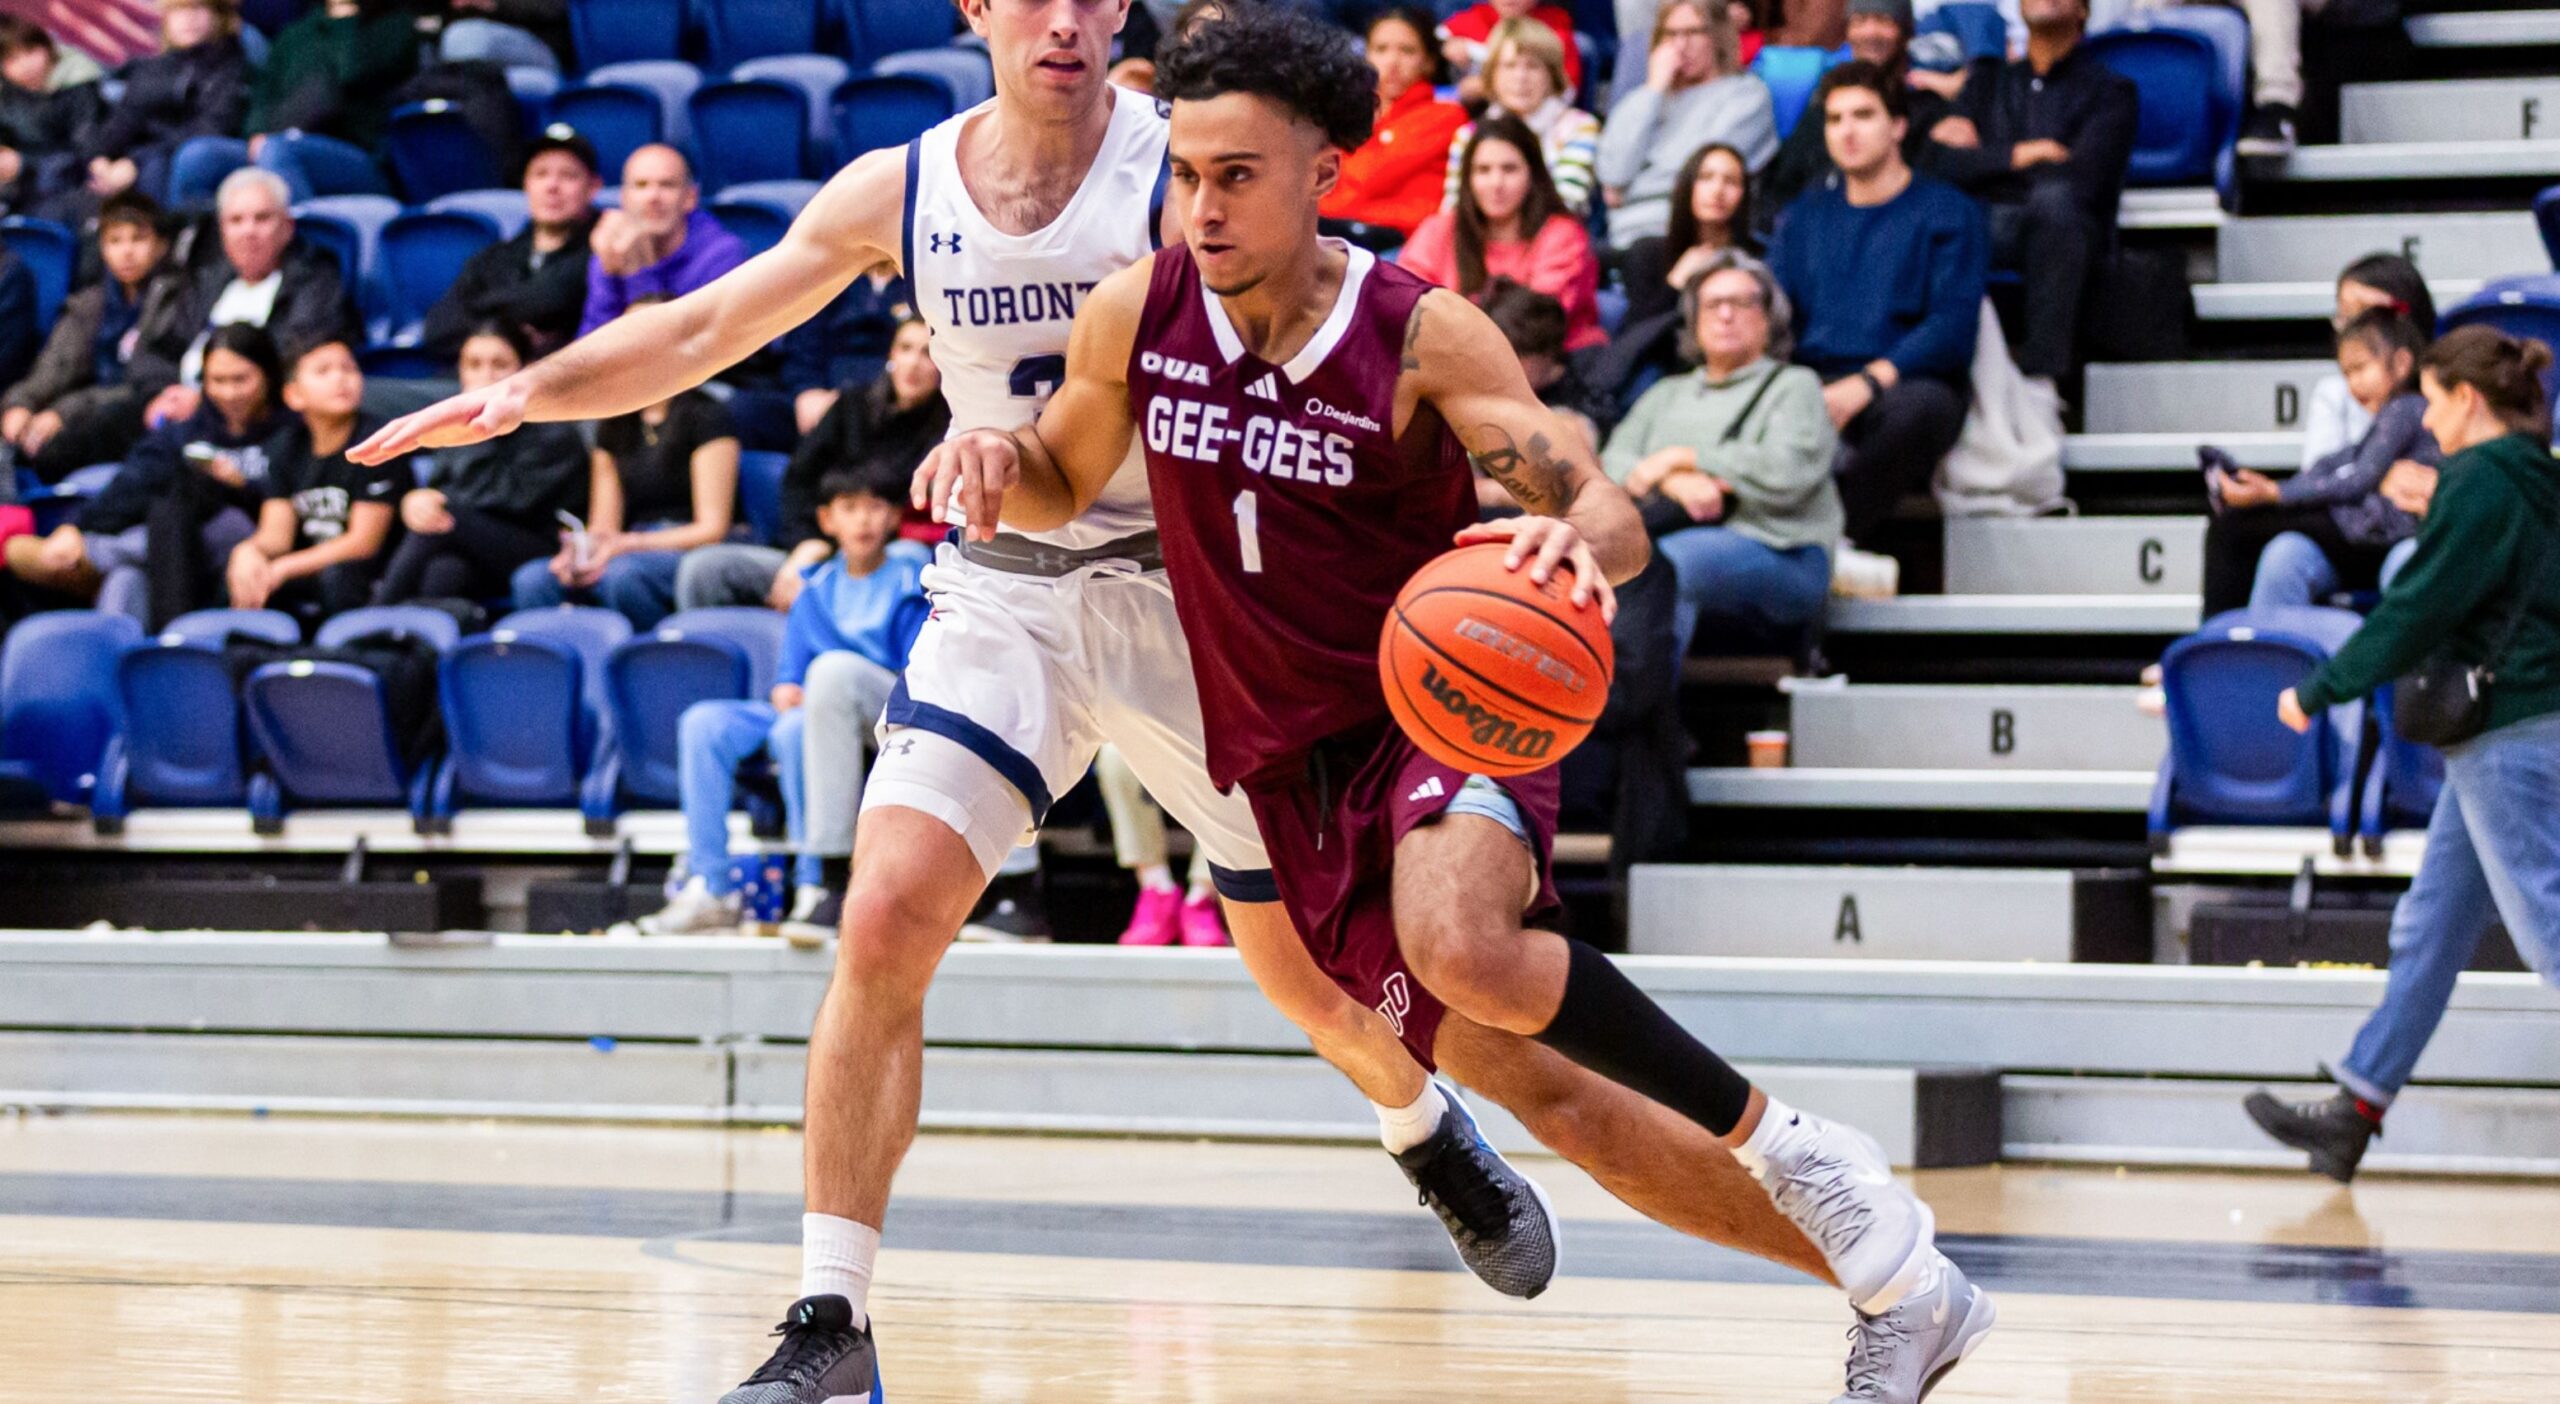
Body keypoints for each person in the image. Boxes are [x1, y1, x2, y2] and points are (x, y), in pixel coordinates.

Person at [350, 2, 1950, 1396]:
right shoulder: (937, 200)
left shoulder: (1270, 217)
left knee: (1347, 1000)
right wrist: (529, 397)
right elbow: (716, 328)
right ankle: (831, 1312)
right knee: (886, 910)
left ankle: (1430, 1128)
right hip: (1020, 588)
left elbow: (1574, 478)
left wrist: (1569, 530)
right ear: (977, 11)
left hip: (1233, 624)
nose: (1072, 23)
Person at [929, 9, 1993, 1402]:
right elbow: (1068, 475)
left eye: (1239, 174)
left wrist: (1574, 541)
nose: (1203, 203)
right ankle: (1901, 1283)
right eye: (1186, 172)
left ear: (1328, 173)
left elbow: (1604, 507)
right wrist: (1000, 456)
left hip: (1436, 709)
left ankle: (1793, 1140)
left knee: (1464, 942)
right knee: (1565, 1106)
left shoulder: (1422, 333)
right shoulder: (1139, 309)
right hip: (1287, 772)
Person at [2249, 324, 2560, 1183]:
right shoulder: (2540, 477)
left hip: (2507, 731)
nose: (2425, 417)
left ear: (2466, 399)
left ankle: (2358, 1103)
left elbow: (2417, 607)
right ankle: (2356, 1107)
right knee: (2431, 924)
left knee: (2550, 932)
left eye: (2432, 398)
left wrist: (2318, 688)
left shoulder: (2479, 481)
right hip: (2521, 725)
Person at [641, 464, 931, 939]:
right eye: (850, 508)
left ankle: (814, 883)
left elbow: (914, 671)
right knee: (704, 722)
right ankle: (711, 886)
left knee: (800, 724)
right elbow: (789, 673)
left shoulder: (909, 578)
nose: (863, 521)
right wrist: (787, 688)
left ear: (894, 517)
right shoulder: (814, 585)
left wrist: (808, 696)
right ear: (826, 520)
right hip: (807, 705)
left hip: (874, 712)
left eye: (875, 508)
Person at [1768, 62, 1986, 547]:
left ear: (1898, 126)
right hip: (1814, 377)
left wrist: (1867, 383)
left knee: (1918, 412)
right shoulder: (1803, 216)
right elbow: (1774, 315)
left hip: (1903, 380)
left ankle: (1830, 541)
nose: (1847, 132)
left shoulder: (1949, 210)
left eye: (1863, 115)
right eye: (1835, 119)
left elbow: (1952, 324)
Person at [1606, 252, 1842, 658]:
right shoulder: (1666, 393)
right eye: (1713, 304)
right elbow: (1612, 463)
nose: (1726, 315)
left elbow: (1789, 473)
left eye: (1742, 303)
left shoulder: (1793, 385)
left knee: (1664, 565)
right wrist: (1674, 480)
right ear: (1695, 321)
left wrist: (1686, 456)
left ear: (1768, 318)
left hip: (1781, 548)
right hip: (1673, 534)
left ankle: (1641, 710)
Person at [3, 322, 280, 626]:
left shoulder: (290, 434)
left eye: (240, 379)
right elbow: (135, 481)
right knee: (126, 579)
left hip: (245, 546)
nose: (229, 392)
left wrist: (243, 486)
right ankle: (134, 662)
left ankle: (94, 554)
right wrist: (77, 527)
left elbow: (290, 508)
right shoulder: (189, 430)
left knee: (192, 513)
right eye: (218, 380)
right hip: (171, 552)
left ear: (267, 374)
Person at [677, 315, 949, 613]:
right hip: (815, 546)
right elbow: (798, 481)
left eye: (927, 353)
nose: (913, 363)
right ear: (890, 354)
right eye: (905, 348)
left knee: (907, 560)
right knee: (704, 570)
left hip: (882, 560)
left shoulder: (949, 430)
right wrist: (807, 543)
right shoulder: (851, 404)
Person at [1925, 0, 2136, 383]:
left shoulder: (2112, 91)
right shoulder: (1988, 83)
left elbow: (2084, 179)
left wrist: (1986, 164)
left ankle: (2044, 381)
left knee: (2056, 206)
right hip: (1986, 222)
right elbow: (1940, 165)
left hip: (2065, 230)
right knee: (1932, 212)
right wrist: (2020, 155)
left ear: (2084, 11)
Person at [2203, 309, 2434, 615]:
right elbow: (2335, 463)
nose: (2354, 385)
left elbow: (2359, 479)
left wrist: (2275, 493)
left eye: (2361, 368)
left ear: (2402, 363)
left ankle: (2213, 644)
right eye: (2346, 374)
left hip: (2382, 530)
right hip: (2367, 529)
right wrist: (2272, 487)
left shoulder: (2406, 408)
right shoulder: (2393, 414)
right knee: (2236, 525)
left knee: (2232, 526)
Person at [373, 323, 587, 605]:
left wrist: (484, 428)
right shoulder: (456, 427)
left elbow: (513, 500)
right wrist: (416, 501)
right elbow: (441, 488)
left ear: (525, 370)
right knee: (445, 572)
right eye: (474, 365)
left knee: (446, 519)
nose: (486, 376)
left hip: (540, 546)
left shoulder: (553, 431)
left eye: (499, 364)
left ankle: (374, 616)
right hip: (471, 544)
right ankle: (416, 643)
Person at [132, 168, 358, 433]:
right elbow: (157, 350)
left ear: (287, 227)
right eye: (236, 221)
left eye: (262, 218)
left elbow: (296, 358)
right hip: (179, 415)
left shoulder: (315, 280)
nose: (248, 231)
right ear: (222, 232)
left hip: (262, 423)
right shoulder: (208, 281)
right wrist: (160, 395)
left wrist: (209, 399)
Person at [510, 381, 738, 630]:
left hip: (688, 545)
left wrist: (628, 544)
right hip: (630, 543)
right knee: (533, 580)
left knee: (621, 577)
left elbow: (712, 529)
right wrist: (580, 554)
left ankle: (655, 660)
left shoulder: (707, 415)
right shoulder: (614, 421)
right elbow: (604, 525)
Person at [227, 337, 403, 620]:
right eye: (323, 371)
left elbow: (363, 542)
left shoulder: (380, 439)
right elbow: (276, 537)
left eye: (348, 368)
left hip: (368, 574)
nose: (340, 379)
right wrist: (247, 552)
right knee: (245, 578)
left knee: (337, 578)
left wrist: (283, 568)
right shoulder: (285, 447)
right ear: (293, 394)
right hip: (309, 567)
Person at [1399, 115, 1604, 353]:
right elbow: (1404, 302)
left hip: (1548, 367)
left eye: (1510, 169)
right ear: (1467, 178)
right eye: (1483, 170)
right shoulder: (1439, 229)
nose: (1496, 183)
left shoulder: (1563, 235)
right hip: (1450, 362)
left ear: (1533, 175)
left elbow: (1536, 324)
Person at [2, 192, 171, 480]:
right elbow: (52, 369)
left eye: (138, 239)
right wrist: (20, 404)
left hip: (126, 417)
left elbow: (148, 385)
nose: (126, 252)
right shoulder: (89, 304)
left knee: (56, 450)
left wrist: (63, 414)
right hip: (81, 410)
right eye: (115, 241)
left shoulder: (173, 301)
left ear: (161, 246)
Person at [1595, 0, 1778, 246]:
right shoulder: (1641, 99)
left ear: (1718, 35)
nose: (1681, 45)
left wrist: (1632, 187)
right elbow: (1613, 175)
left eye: (1693, 33)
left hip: (1693, 233)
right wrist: (1654, 90)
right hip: (1625, 233)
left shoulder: (1746, 95)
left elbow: (1703, 172)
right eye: (1671, 34)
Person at [419, 124, 601, 361]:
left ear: (593, 187)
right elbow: (437, 331)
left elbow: (550, 300)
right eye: (541, 174)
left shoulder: (604, 250)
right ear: (526, 185)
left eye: (568, 176)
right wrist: (514, 334)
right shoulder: (495, 257)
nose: (552, 186)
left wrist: (485, 310)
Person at [1759, 0, 1957, 217]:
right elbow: (1785, 183)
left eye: (1883, 20)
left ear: (1905, 31)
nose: (1870, 32)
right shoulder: (1826, 100)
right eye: (1860, 21)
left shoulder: (1929, 106)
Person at [1597, 139, 1759, 392]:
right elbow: (1637, 336)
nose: (1717, 190)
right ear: (1686, 186)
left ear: (1744, 194)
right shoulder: (1649, 251)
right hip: (1667, 367)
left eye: (1731, 181)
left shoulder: (1756, 259)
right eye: (1705, 178)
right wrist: (1676, 282)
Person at [66, 0, 250, 214]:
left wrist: (136, 163)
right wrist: (99, 159)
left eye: (197, 9)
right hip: (146, 157)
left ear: (218, 17)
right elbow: (123, 120)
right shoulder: (152, 68)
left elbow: (212, 126)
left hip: (190, 154)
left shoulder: (231, 64)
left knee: (159, 166)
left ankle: (165, 235)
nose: (188, 19)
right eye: (179, 12)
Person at [1317, 7, 1468, 239]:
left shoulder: (1446, 116)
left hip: (1401, 245)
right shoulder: (1344, 112)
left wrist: (1332, 207)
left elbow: (1367, 178)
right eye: (1381, 49)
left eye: (1407, 51)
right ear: (1366, 57)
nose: (1392, 62)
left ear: (1428, 61)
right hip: (1338, 235)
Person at [577, 144, 748, 338]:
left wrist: (640, 274)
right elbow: (591, 342)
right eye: (641, 185)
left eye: (667, 185)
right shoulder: (610, 248)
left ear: (690, 197)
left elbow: (683, 348)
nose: (653, 197)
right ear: (624, 198)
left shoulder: (721, 254)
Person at [1440, 18, 1602, 218]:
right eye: (1509, 66)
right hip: (1479, 244)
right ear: (1491, 74)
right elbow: (1453, 211)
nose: (1520, 77)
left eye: (1533, 66)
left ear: (1552, 75)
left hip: (1552, 243)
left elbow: (1567, 203)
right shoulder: (1468, 136)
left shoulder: (1579, 127)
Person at [2301, 253, 2438, 471]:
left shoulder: (2442, 386)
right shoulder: (2335, 393)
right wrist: (2380, 480)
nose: (2354, 328)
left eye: (2367, 313)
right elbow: (2317, 477)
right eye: (2344, 315)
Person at [243, 0, 419, 160]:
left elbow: (351, 75)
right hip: (280, 136)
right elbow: (264, 90)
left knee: (279, 150)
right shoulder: (296, 31)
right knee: (215, 153)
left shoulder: (395, 26)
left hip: (356, 149)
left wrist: (345, 21)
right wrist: (257, 131)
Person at [1099, 742, 1230, 946]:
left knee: (1235, 754)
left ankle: (1203, 899)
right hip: (1160, 731)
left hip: (1214, 733)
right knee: (1115, 752)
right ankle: (1156, 887)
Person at [1481, 278, 1612, 458]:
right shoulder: (1486, 396)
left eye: (1513, 357)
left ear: (1546, 354)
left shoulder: (1579, 413)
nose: (1498, 368)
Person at [780, 260, 914, 435]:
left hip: (889, 392)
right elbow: (803, 344)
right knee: (742, 410)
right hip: (823, 386)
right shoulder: (830, 277)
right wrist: (807, 389)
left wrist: (856, 398)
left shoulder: (919, 280)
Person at [0, 16, 105, 214]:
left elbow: (84, 149)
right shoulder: (7, 94)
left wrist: (24, 164)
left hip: (69, 180)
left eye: (30, 51)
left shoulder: (78, 84)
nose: (25, 65)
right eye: (11, 59)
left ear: (48, 48)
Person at [1437, 0, 1582, 100]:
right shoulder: (1474, 17)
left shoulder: (1555, 30)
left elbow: (1567, 92)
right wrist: (1446, 46)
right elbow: (1427, 42)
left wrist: (1488, 86)